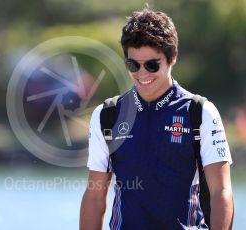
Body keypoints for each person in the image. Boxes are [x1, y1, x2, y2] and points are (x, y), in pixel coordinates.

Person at [80, 8, 233, 230]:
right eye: (133, 65)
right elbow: (95, 197)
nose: (142, 74)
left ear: (172, 58)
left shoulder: (200, 112)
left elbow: (221, 192)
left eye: (152, 65)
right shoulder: (107, 116)